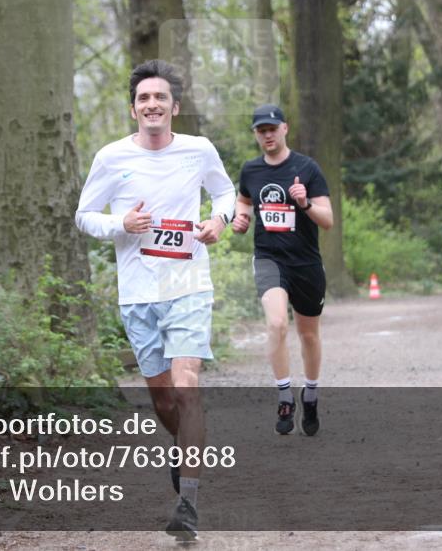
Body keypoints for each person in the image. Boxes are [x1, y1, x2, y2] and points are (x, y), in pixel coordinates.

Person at [75, 60, 235, 540]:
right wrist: (119, 225)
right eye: (144, 99)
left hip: (187, 285)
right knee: (163, 398)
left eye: (160, 98)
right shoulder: (110, 158)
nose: (152, 105)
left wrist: (219, 222)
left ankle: (188, 502)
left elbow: (225, 194)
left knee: (187, 387)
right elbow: (84, 215)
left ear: (175, 108)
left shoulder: (198, 150)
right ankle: (182, 449)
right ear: (133, 110)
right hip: (138, 293)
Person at [232, 104, 333, 436]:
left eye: (272, 129)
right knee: (276, 324)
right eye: (261, 131)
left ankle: (312, 393)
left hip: (305, 262)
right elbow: (244, 199)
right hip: (269, 258)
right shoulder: (251, 170)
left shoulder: (307, 168)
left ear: (285, 129)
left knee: (308, 334)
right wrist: (241, 217)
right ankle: (284, 395)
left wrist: (304, 203)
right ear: (256, 135)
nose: (267, 135)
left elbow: (328, 220)